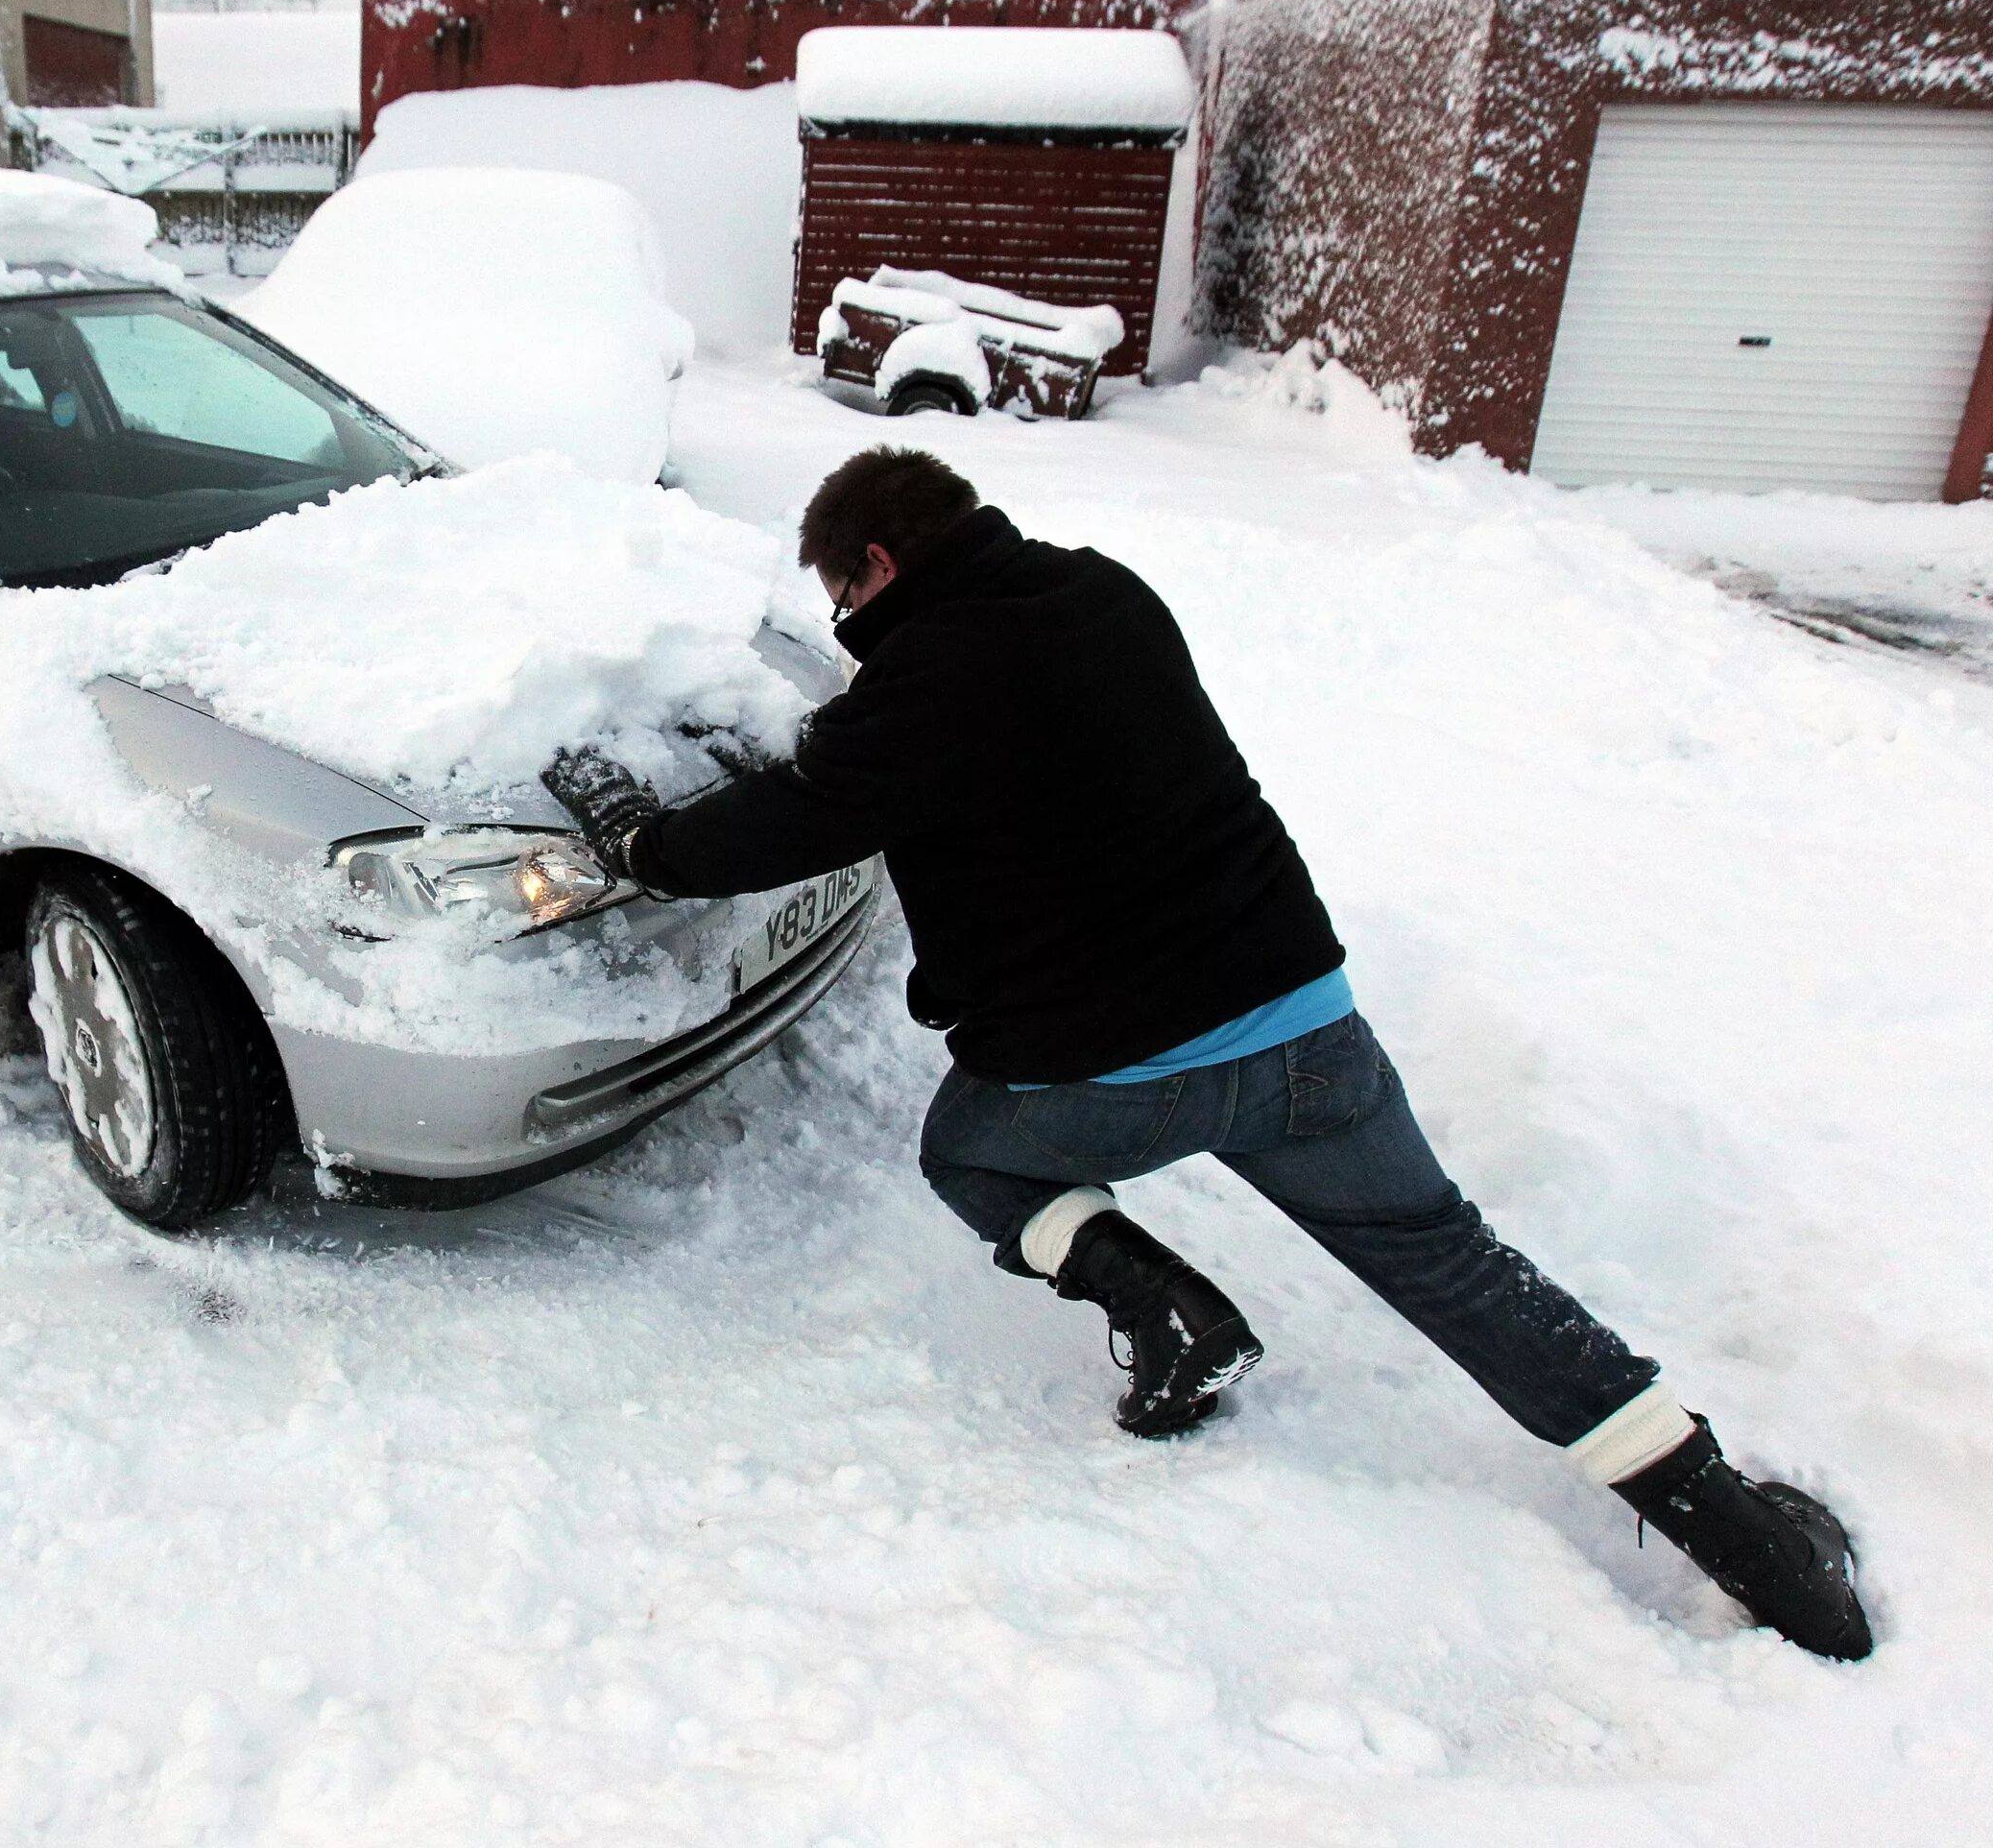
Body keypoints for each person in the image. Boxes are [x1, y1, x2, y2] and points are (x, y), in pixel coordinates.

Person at [541, 447, 1873, 1661]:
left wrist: (637, 844)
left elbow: (793, 820)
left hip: (1123, 1069)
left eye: (842, 594)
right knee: (1450, 1263)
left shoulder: (927, 684)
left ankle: (1170, 1314)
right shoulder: (1105, 596)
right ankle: (1754, 1543)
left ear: (877, 564)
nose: (843, 624)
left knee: (971, 1152)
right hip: (1302, 1021)